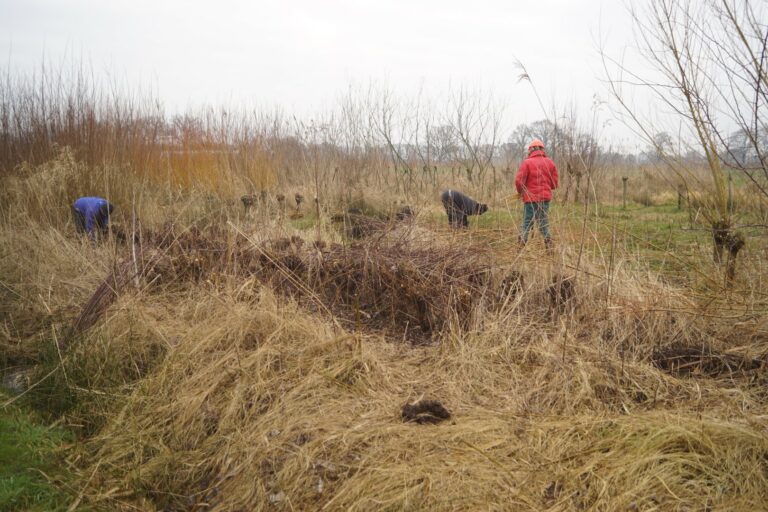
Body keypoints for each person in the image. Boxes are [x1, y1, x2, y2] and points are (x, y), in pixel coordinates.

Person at [515, 139, 558, 249]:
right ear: (542, 149)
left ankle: (521, 245)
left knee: (527, 222)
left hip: (530, 200)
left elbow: (519, 181)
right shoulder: (550, 162)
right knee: (543, 222)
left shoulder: (527, 163)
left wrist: (520, 192)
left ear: (530, 150)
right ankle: (549, 244)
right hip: (545, 199)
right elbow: (554, 184)